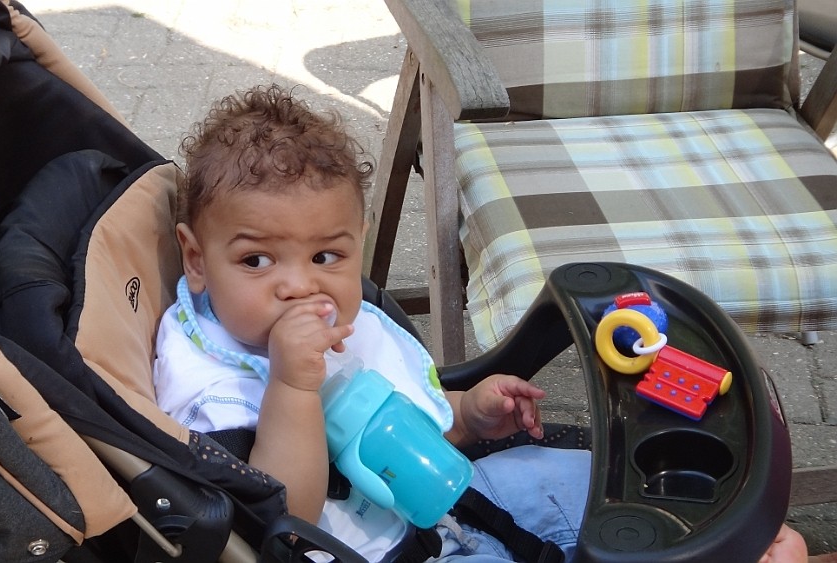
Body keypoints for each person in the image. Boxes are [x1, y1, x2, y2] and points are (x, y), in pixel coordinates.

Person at [153, 84, 809, 562]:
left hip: (448, 497)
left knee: (604, 487)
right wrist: (293, 387)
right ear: (197, 259)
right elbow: (285, 517)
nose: (299, 284)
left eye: (327, 256)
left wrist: (466, 414)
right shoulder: (215, 390)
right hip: (381, 551)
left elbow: (391, 424)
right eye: (257, 260)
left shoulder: (337, 328)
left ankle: (724, 540)